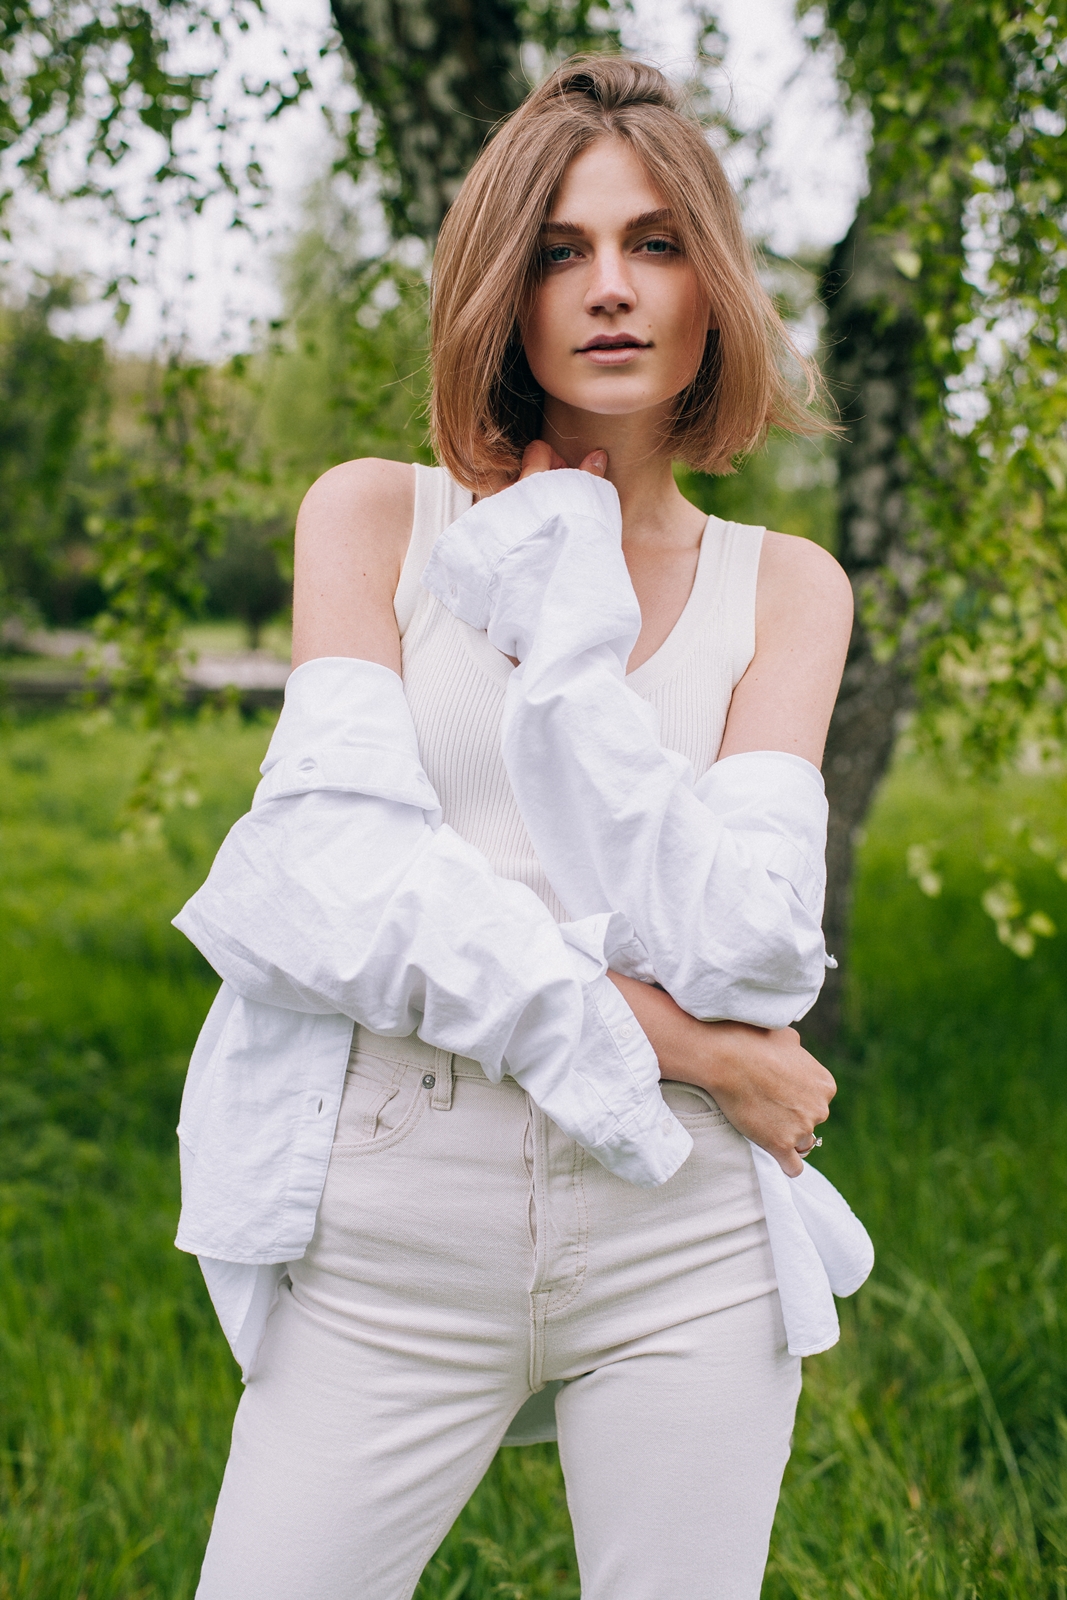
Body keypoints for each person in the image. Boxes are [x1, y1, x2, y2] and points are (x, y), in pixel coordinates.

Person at [175, 54, 872, 1600]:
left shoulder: (787, 587)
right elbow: (333, 888)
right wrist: (679, 1040)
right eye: (561, 250)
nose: (609, 286)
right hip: (396, 1229)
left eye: (654, 242)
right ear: (505, 289)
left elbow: (754, 948)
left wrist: (568, 632)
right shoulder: (376, 519)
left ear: (713, 286)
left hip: (681, 1235)